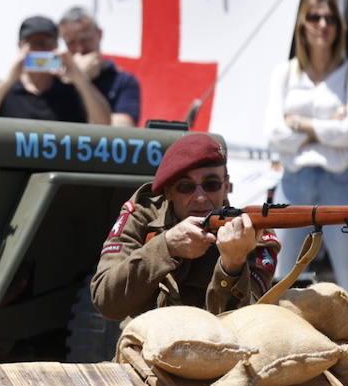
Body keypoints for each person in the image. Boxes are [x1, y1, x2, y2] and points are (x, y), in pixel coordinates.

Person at [91, 133, 280, 320]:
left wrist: (232, 264)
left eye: (211, 184)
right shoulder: (144, 216)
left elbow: (250, 321)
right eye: (185, 187)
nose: (200, 197)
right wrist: (165, 248)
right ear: (168, 192)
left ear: (225, 186)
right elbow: (105, 301)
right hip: (148, 340)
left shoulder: (254, 232)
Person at [266, 0, 348, 295]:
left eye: (331, 18)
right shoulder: (284, 73)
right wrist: (328, 126)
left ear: (339, 26)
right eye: (314, 16)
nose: (322, 24)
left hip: (340, 184)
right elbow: (273, 134)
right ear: (302, 24)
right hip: (294, 183)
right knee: (280, 281)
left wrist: (299, 123)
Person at [0, 16, 112, 125]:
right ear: (20, 47)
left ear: (57, 46)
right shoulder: (3, 90)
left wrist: (79, 78)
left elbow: (104, 124)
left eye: (47, 43)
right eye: (34, 43)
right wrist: (9, 80)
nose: (41, 49)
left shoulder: (71, 92)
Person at [58, 7, 141, 127]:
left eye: (86, 40)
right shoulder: (56, 79)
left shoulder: (123, 81)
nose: (80, 49)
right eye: (71, 42)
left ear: (99, 34)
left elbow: (120, 132)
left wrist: (82, 81)